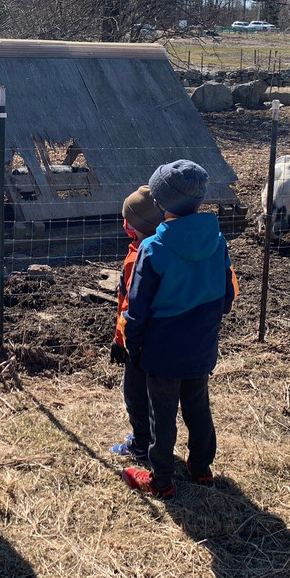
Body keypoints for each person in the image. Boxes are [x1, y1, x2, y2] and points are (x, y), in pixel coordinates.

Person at [120, 160, 237, 499]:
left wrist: (134, 344)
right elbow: (227, 296)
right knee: (198, 407)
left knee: (162, 415)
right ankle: (201, 468)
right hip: (201, 347)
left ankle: (160, 481)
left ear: (158, 203)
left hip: (162, 351)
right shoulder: (217, 241)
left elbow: (137, 307)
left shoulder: (153, 248)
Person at [109, 185, 164, 463]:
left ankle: (141, 444)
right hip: (160, 337)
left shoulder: (137, 258)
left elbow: (129, 305)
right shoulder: (160, 248)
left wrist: (121, 341)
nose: (123, 223)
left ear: (134, 225)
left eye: (126, 219)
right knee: (156, 395)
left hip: (137, 338)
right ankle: (154, 439)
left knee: (134, 392)